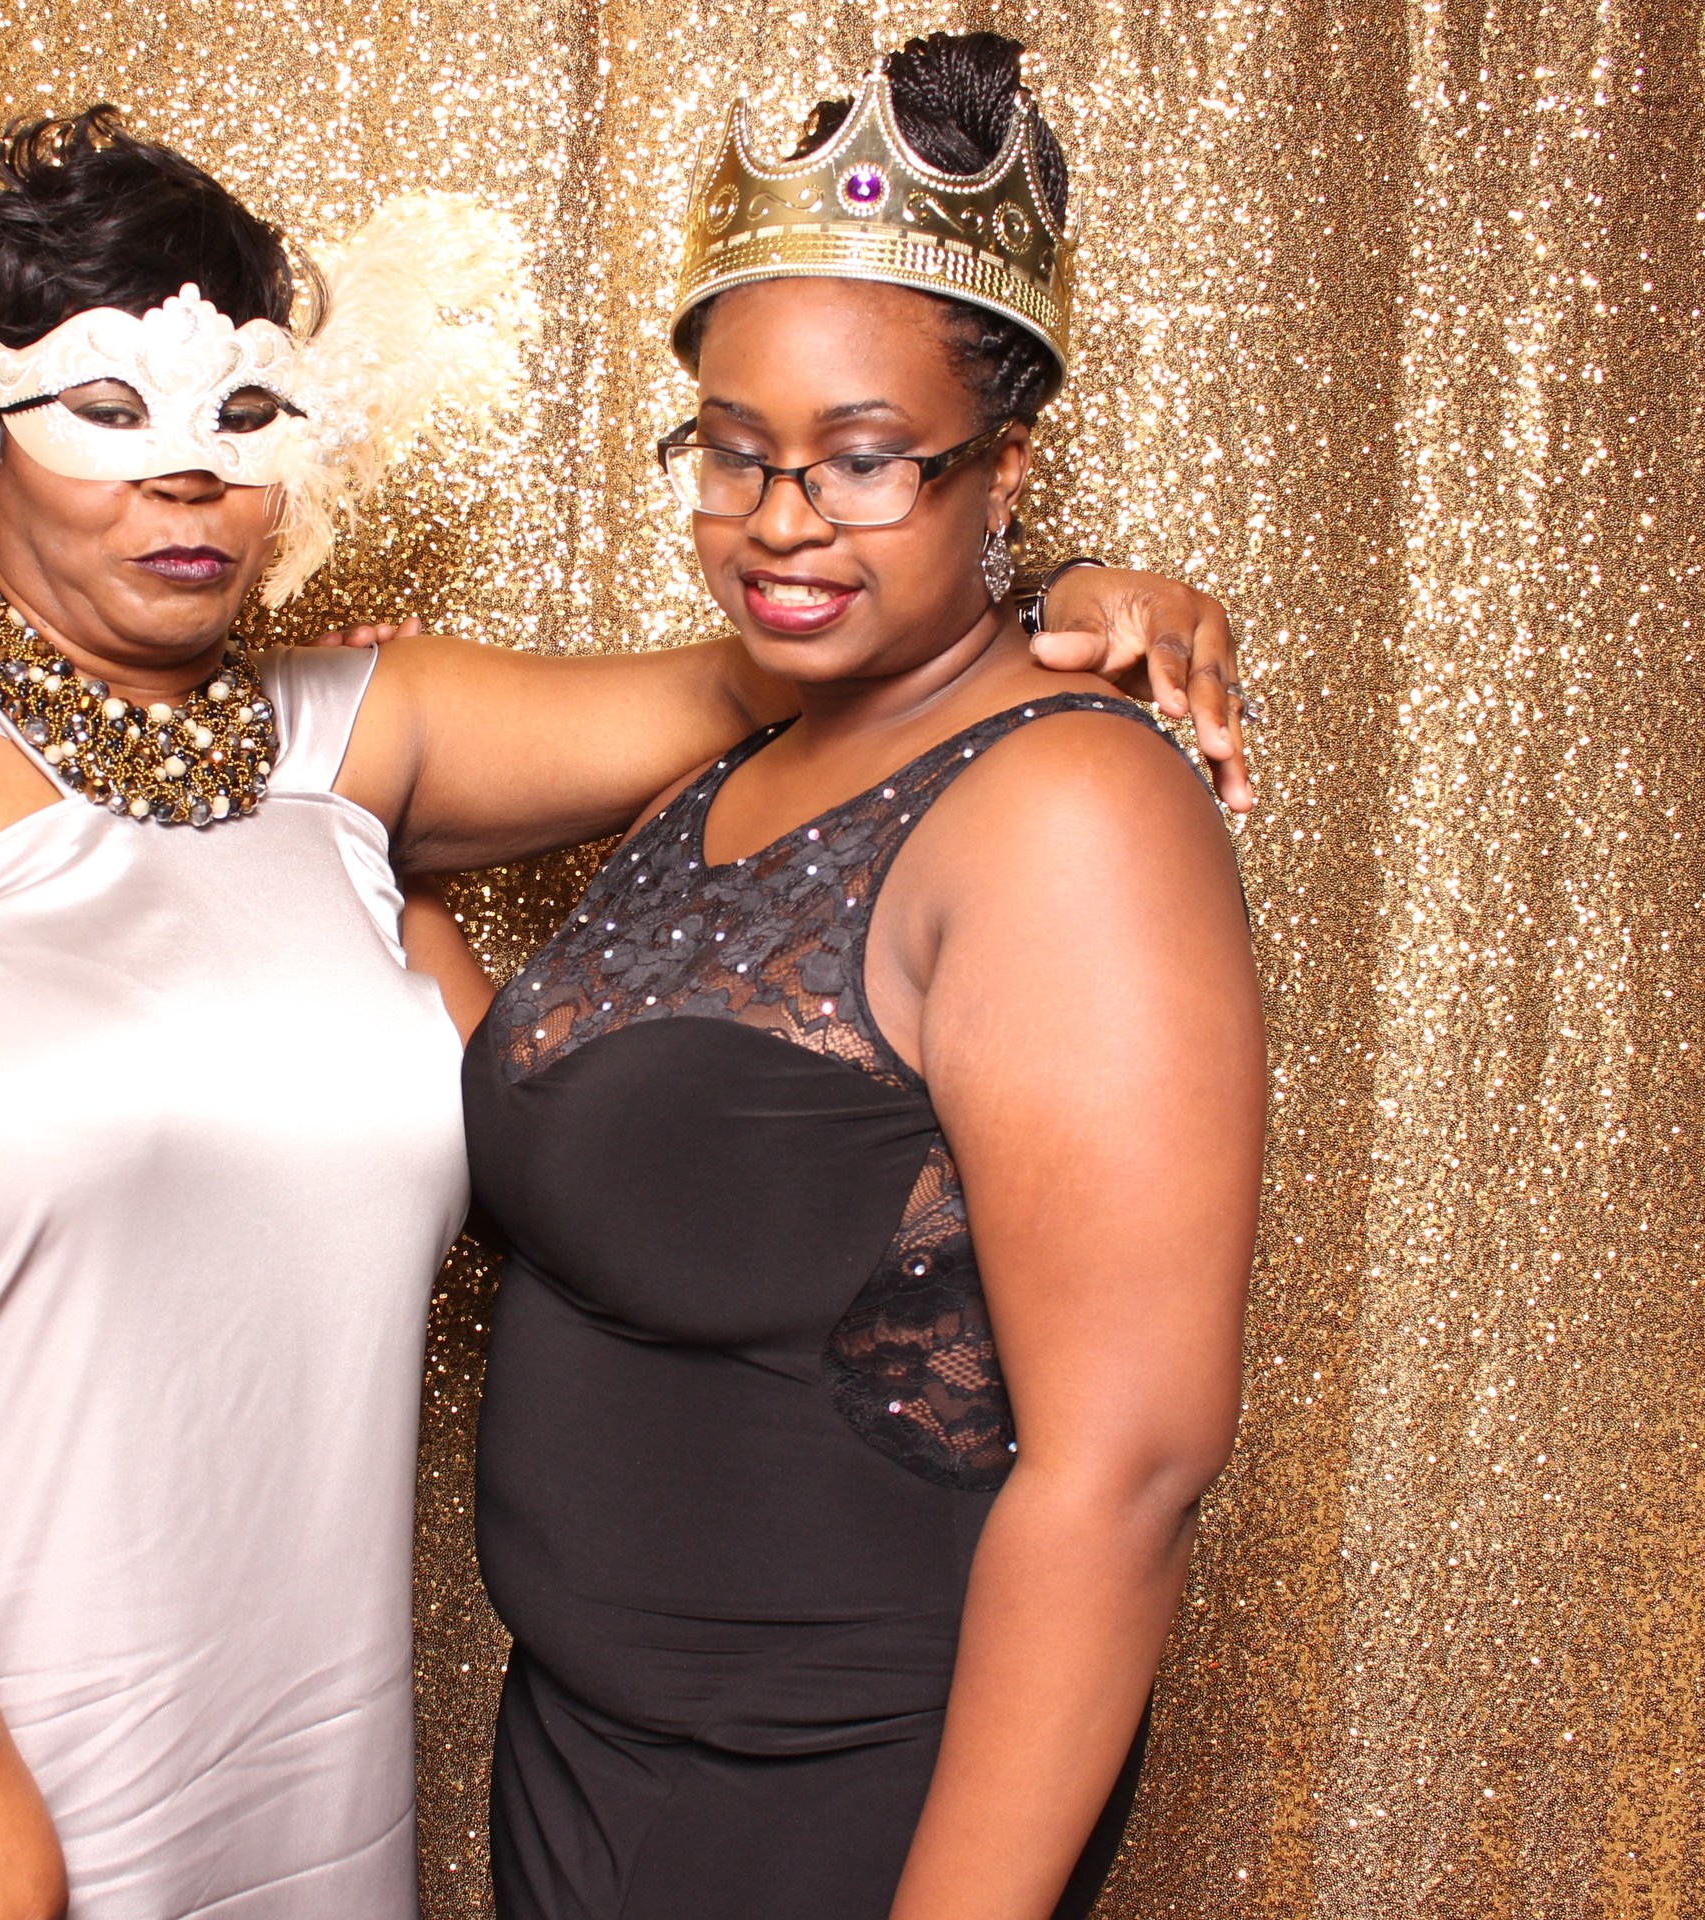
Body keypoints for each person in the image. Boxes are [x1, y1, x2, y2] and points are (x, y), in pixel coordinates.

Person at [0, 104, 1251, 1920]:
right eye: (102, 411)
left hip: (271, 1732)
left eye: (242, 417)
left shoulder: (344, 744)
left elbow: (820, 654)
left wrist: (1056, 596)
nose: (183, 483)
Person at [458, 34, 1266, 1920]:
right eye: (732, 450)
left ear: (1004, 469)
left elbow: (1129, 1466)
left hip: (842, 1800)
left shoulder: (1069, 808)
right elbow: (596, 1114)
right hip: (587, 1764)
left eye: (866, 459)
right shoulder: (743, 757)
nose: (782, 515)